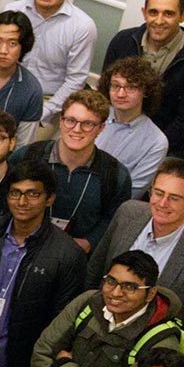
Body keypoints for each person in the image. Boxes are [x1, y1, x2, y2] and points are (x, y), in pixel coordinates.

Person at [0, 157, 88, 367]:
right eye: (15, 193)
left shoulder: (66, 254)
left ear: (50, 198)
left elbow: (60, 327)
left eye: (32, 194)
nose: (22, 202)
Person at [87, 159, 184, 366]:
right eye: (159, 193)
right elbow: (95, 271)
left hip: (149, 359)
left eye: (175, 198)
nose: (163, 204)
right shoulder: (127, 213)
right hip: (95, 337)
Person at [31, 251, 184, 367]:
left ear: (150, 294)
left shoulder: (161, 343)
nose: (115, 293)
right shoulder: (87, 302)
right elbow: (41, 354)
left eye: (130, 286)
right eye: (111, 281)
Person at [102, 0, 184, 158]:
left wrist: (147, 146)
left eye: (168, 14)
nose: (159, 20)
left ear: (183, 16)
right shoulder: (123, 41)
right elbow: (105, 93)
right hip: (112, 130)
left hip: (166, 143)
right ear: (144, 12)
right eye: (153, 12)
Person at [18, 88, 130, 250]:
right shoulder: (29, 156)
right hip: (24, 246)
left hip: (77, 257)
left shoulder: (116, 175)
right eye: (71, 120)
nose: (77, 129)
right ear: (61, 121)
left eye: (88, 124)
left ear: (101, 128)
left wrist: (89, 242)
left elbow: (113, 218)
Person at [6, 0, 96, 114]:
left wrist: (44, 113)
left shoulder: (82, 26)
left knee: (29, 139)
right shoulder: (12, 12)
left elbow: (75, 80)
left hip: (48, 101)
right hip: (7, 91)